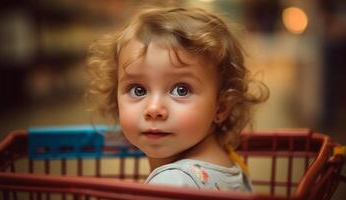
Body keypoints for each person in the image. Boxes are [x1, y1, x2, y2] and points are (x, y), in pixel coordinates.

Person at [87, 7, 269, 192]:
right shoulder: (230, 161)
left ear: (221, 107)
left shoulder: (171, 184)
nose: (154, 109)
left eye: (181, 90)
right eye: (138, 90)